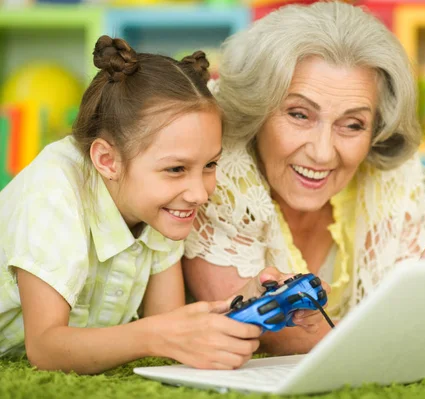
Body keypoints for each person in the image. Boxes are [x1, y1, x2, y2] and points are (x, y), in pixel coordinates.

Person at [182, 1, 425, 361]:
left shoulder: (394, 179)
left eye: (352, 125)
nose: (322, 153)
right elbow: (277, 335)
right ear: (257, 110)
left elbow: (406, 311)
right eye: (299, 114)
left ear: (377, 129)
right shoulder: (214, 168)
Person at [0, 35, 275, 374]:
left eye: (210, 165)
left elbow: (168, 326)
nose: (200, 194)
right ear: (107, 160)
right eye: (176, 169)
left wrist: (250, 301)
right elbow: (45, 348)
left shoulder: (159, 205)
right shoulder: (53, 192)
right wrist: (154, 336)